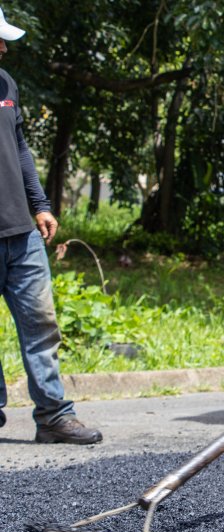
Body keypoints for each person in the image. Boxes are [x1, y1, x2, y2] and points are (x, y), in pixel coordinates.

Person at [0, 6, 102, 445]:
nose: (4, 47)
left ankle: (54, 416)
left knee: (42, 324)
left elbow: (20, 146)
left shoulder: (7, 84)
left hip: (20, 233)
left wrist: (39, 204)